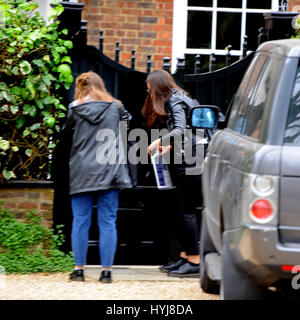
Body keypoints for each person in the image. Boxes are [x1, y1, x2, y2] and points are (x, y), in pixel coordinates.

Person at [64, 71, 132, 283]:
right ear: (100, 85)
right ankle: (106, 272)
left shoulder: (74, 108)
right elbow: (126, 130)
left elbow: (67, 136)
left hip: (81, 170)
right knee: (108, 221)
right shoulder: (116, 107)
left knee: (80, 221)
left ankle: (78, 271)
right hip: (109, 169)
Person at [142, 69, 202, 277]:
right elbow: (190, 131)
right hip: (191, 158)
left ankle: (194, 260)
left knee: (187, 211)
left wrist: (160, 141)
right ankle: (185, 257)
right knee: (183, 211)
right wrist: (169, 148)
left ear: (157, 87)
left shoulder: (174, 100)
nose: (148, 93)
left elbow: (180, 130)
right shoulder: (181, 98)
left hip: (190, 162)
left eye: (149, 89)